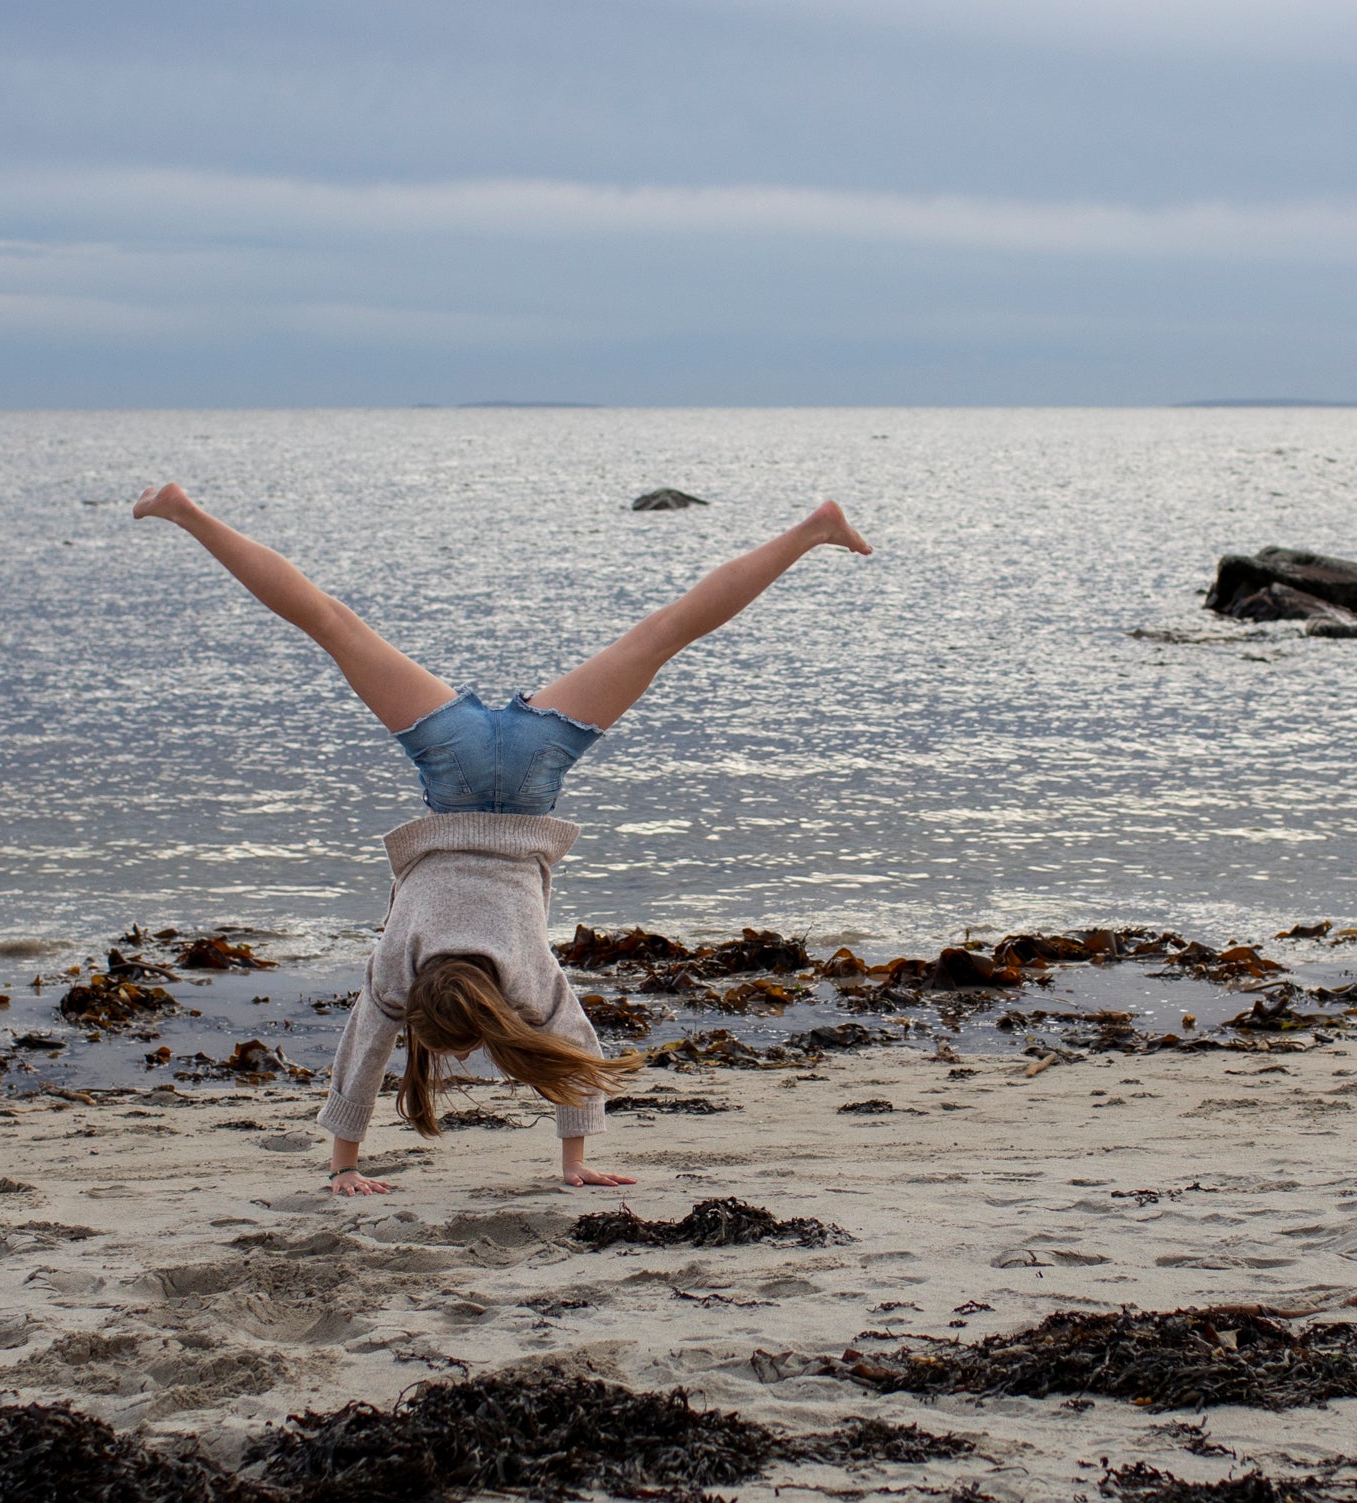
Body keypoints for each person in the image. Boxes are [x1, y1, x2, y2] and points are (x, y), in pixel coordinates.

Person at [132, 483, 873, 1194]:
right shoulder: (400, 969)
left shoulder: (521, 977)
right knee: (332, 622)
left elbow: (573, 1047)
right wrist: (342, 1164)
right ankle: (185, 510)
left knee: (663, 634)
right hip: (450, 766)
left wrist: (572, 1161)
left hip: (529, 781)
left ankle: (814, 527)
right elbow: (362, 1053)